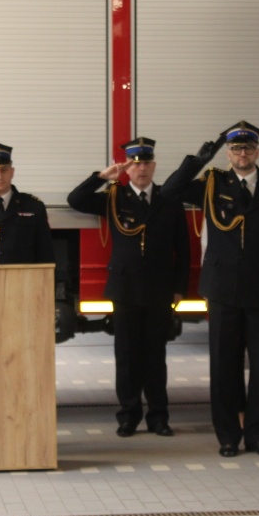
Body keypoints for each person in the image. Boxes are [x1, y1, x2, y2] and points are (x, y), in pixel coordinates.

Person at [160, 121, 259, 457]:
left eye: (248, 148)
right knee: (224, 365)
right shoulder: (211, 183)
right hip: (222, 287)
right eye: (236, 149)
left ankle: (258, 436)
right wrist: (196, 160)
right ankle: (228, 436)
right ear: (228, 153)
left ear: (257, 152)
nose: (242, 154)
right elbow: (168, 191)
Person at [67, 137, 190, 437]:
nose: (141, 169)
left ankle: (159, 417)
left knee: (155, 356)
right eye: (135, 164)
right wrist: (102, 177)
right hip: (125, 289)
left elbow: (183, 249)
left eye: (146, 162)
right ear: (127, 168)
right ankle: (128, 415)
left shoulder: (169, 199)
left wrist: (179, 288)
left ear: (154, 166)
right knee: (127, 356)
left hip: (159, 288)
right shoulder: (114, 197)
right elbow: (76, 200)